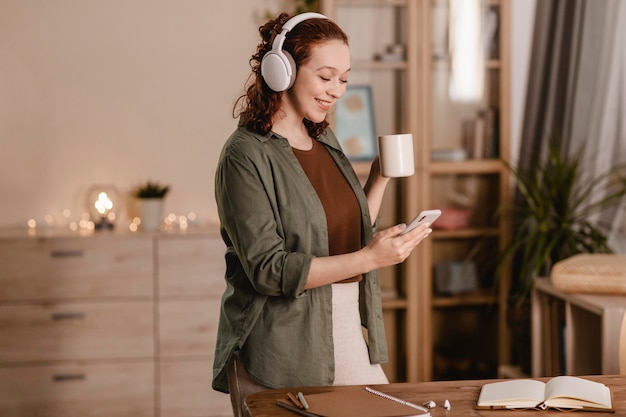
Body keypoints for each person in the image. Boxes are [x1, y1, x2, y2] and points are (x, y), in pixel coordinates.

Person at [212, 12, 432, 393]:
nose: (337, 90)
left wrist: (379, 177)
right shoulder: (244, 156)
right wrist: (371, 259)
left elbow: (345, 235)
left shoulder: (324, 140)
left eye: (344, 79)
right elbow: (268, 269)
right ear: (282, 71)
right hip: (280, 345)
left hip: (343, 325)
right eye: (326, 76)